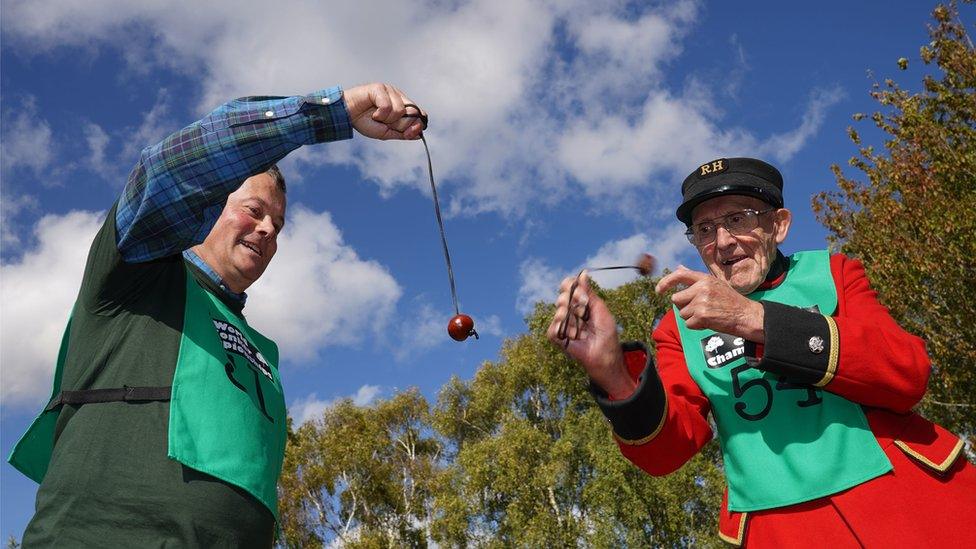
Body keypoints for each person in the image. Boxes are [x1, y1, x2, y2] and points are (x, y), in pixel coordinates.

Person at [8, 83, 427, 547]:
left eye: (279, 224)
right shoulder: (140, 272)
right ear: (205, 206)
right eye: (254, 210)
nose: (268, 229)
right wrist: (334, 113)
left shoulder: (264, 350)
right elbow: (172, 168)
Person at [548, 157, 976, 547]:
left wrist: (756, 320)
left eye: (738, 219)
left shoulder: (834, 272)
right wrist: (613, 374)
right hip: (779, 530)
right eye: (704, 230)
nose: (723, 241)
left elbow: (906, 373)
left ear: (779, 225)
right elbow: (667, 452)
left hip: (910, 506)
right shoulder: (677, 327)